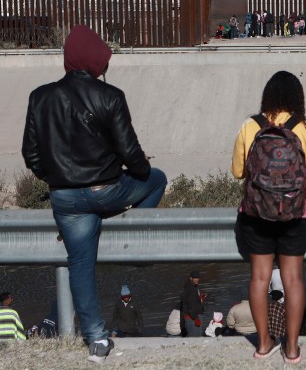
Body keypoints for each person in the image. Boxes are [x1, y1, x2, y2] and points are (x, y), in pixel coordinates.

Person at [21, 25, 167, 363]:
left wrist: (55, 178)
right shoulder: (110, 96)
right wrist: (141, 169)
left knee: (80, 267)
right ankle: (138, 246)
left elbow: (31, 156)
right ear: (96, 60)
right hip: (107, 192)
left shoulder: (39, 97)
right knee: (157, 179)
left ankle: (97, 340)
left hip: (66, 200)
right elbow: (131, 154)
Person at [232, 70, 306, 364]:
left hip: (256, 213)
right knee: (293, 280)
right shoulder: (305, 128)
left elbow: (238, 172)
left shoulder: (251, 126)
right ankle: (292, 349)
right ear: (297, 97)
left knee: (260, 278)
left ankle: (263, 345)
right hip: (297, 213)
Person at [182, 271, 206, 338]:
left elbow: (193, 301)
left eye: (198, 278)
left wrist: (199, 298)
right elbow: (190, 306)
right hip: (193, 318)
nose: (197, 279)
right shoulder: (190, 289)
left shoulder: (194, 287)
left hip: (194, 316)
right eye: (195, 278)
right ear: (190, 278)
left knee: (196, 337)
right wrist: (196, 318)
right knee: (194, 338)